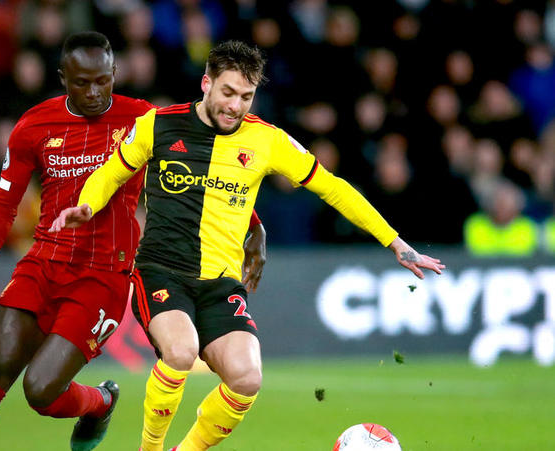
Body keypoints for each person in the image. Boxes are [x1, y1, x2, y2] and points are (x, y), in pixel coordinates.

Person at [51, 40, 446, 451]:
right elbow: (111, 172)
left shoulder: (266, 140)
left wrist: (394, 241)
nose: (236, 106)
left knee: (246, 378)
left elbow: (333, 187)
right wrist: (87, 204)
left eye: (246, 96)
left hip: (221, 284)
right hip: (162, 270)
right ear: (206, 83)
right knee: (181, 351)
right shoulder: (158, 125)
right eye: (227, 92)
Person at [0, 32, 267, 451]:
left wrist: (253, 225)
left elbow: (205, 177)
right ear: (63, 78)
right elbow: (4, 203)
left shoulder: (144, 119)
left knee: (40, 390)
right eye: (82, 83)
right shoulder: (33, 126)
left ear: (114, 73)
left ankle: (100, 401)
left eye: (103, 80)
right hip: (43, 262)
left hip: (103, 274)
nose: (95, 92)